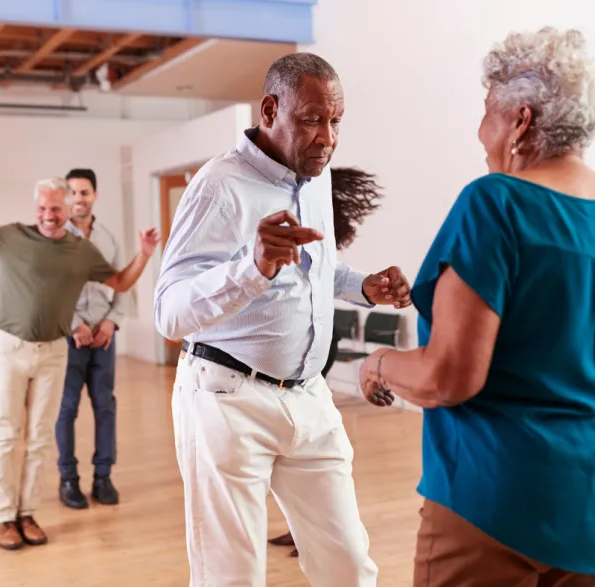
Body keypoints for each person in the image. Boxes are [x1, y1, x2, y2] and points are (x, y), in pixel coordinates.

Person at [154, 52, 411, 587]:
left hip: (309, 397)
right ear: (271, 109)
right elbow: (169, 312)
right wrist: (253, 266)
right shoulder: (218, 185)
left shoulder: (313, 179)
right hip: (227, 400)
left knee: (349, 567)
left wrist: (362, 287)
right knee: (233, 576)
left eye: (336, 121)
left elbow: (317, 267)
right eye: (313, 119)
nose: (328, 137)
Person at [359, 28, 595, 586]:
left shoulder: (496, 203)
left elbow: (447, 377)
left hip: (492, 501)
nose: (480, 132)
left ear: (520, 120)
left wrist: (376, 365)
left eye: (488, 111)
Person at [0, 177, 160, 550]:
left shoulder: (81, 249)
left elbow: (121, 283)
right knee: (6, 433)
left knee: (41, 438)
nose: (49, 215)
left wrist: (144, 253)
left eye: (55, 208)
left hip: (54, 352)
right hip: (11, 349)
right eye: (42, 208)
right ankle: (3, 517)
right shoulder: (12, 237)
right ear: (35, 208)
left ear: (67, 207)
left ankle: (27, 513)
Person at [268, 165, 384, 558]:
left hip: (317, 345)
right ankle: (300, 525)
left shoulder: (310, 211)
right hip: (303, 347)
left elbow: (328, 273)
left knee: (306, 438)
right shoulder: (289, 211)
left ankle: (307, 527)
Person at [56, 168, 157, 509]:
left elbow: (122, 284)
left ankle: (103, 477)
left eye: (83, 192)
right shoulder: (53, 238)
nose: (77, 198)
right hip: (68, 340)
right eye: (71, 192)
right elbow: (48, 289)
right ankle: (68, 479)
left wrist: (111, 323)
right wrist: (74, 324)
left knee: (105, 406)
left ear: (94, 195)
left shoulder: (108, 239)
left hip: (103, 339)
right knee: (66, 409)